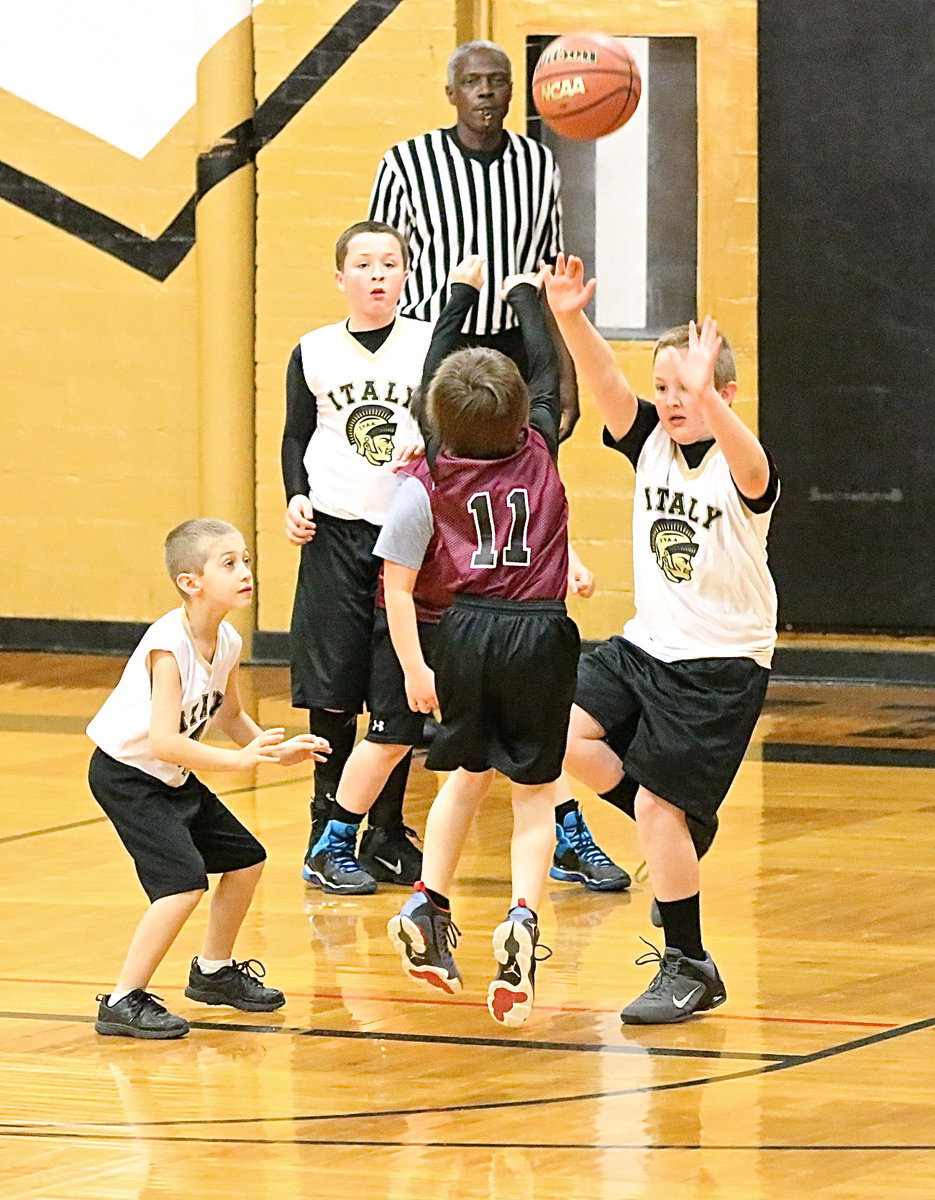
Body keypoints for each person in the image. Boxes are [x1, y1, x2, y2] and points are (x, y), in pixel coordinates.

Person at [543, 254, 780, 1026]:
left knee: (656, 812)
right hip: (646, 647)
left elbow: (750, 461)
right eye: (667, 388)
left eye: (689, 389)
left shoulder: (742, 473)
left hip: (719, 665)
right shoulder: (645, 442)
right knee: (558, 732)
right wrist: (572, 317)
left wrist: (709, 393)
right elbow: (608, 381)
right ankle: (676, 825)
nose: (673, 401)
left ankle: (689, 962)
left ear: (725, 394)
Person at [376, 259, 580, 1027]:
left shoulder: (428, 470)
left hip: (462, 632)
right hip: (540, 631)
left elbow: (436, 373)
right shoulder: (541, 444)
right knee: (532, 796)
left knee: (462, 779)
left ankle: (429, 903)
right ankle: (523, 918)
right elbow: (548, 374)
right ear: (524, 411)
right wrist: (527, 296)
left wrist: (459, 295)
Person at [87, 519, 330, 1039]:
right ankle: (123, 999)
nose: (246, 572)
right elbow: (164, 741)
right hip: (128, 776)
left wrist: (270, 749)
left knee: (246, 861)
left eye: (246, 560)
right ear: (189, 582)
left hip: (168, 773)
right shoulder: (167, 646)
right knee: (180, 886)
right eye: (229, 563)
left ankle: (214, 972)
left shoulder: (226, 639)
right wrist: (241, 765)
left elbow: (228, 716)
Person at [282, 219, 433, 895]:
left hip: (403, 541)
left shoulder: (430, 344)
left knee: (396, 691)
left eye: (390, 263)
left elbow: (448, 428)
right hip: (334, 536)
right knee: (332, 693)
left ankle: (387, 832)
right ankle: (325, 831)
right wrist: (295, 496)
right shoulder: (313, 351)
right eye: (364, 264)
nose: (377, 274)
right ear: (340, 277)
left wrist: (428, 448)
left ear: (405, 275)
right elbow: (294, 436)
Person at [368, 39, 580, 441]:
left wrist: (565, 378)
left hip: (512, 348)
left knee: (519, 470)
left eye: (497, 80)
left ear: (512, 90)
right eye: (472, 81)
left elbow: (551, 281)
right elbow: (377, 274)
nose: (485, 90)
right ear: (452, 93)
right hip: (432, 343)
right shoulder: (405, 163)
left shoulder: (538, 163)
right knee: (433, 472)